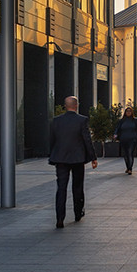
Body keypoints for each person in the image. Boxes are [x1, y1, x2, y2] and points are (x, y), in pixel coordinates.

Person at [48, 96, 96, 228]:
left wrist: (53, 154)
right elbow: (87, 139)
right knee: (77, 186)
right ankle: (78, 212)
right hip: (77, 159)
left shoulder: (56, 121)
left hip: (61, 159)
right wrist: (93, 157)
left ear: (65, 106)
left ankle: (60, 218)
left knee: (61, 188)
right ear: (76, 106)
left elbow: (52, 139)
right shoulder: (82, 120)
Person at [115, 105, 137, 174]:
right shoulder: (122, 121)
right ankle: (127, 167)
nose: (128, 112)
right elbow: (117, 128)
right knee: (125, 154)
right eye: (127, 111)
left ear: (132, 112)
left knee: (130, 153)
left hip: (133, 139)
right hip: (123, 139)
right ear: (125, 112)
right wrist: (115, 134)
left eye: (130, 111)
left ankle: (130, 169)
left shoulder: (135, 121)